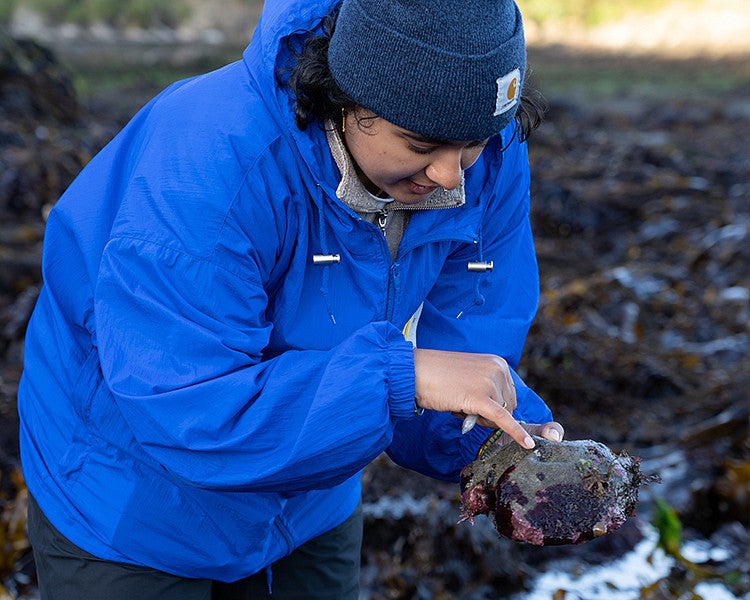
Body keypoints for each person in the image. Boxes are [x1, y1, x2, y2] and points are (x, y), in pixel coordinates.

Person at [17, 0, 565, 597]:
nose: (451, 177)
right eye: (420, 145)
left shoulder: (482, 153)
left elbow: (469, 336)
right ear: (345, 96)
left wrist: (506, 451)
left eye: (472, 145)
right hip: (134, 503)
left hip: (311, 492)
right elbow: (188, 406)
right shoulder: (208, 167)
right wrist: (397, 378)